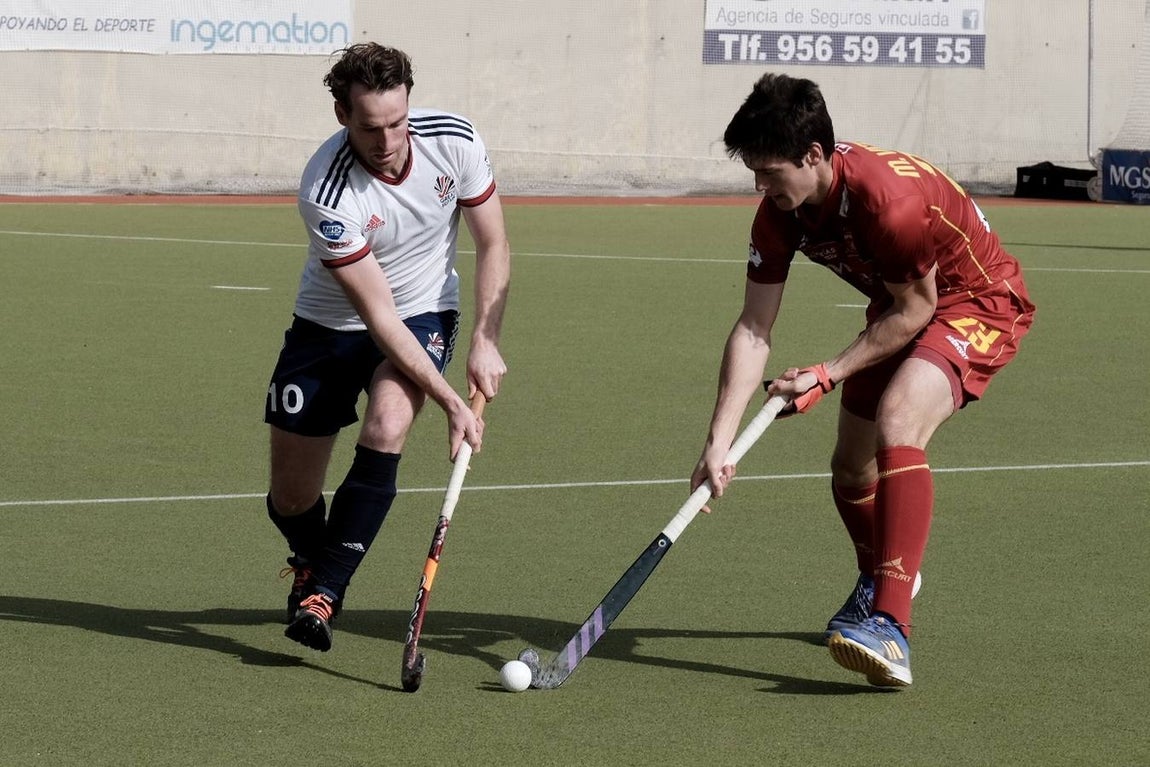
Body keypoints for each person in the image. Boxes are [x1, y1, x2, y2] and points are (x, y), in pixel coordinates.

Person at [691, 73, 1035, 687]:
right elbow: (752, 328)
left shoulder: (888, 201)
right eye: (755, 172)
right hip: (898, 303)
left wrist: (828, 373)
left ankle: (892, 628)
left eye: (769, 172)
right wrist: (718, 440)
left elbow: (918, 309)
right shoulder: (780, 212)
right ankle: (881, 571)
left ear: (814, 155)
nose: (760, 186)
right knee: (850, 469)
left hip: (975, 301)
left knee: (899, 419)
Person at [263, 43, 510, 652]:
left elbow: (495, 243)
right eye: (370, 127)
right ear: (342, 115)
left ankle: (324, 594)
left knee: (388, 422)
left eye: (397, 122)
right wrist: (455, 402)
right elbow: (375, 316)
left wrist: (484, 338)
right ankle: (311, 556)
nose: (388, 140)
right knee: (291, 496)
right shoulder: (326, 190)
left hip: (426, 309)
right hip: (329, 326)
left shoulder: (454, 141)